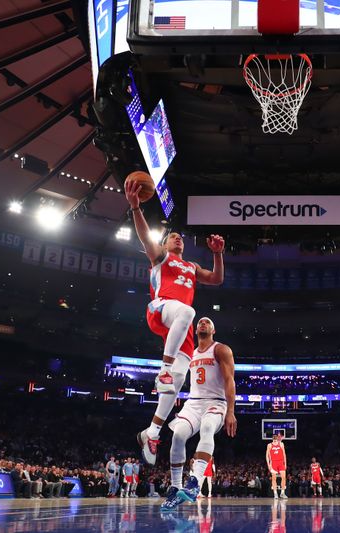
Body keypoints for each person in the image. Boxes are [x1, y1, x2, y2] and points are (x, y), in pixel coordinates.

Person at [126, 178, 226, 466]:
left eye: (180, 237)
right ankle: (165, 367)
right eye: (172, 236)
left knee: (178, 382)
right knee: (188, 312)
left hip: (179, 326)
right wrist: (135, 209)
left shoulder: (192, 267)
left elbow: (217, 279)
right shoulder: (160, 257)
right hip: (161, 310)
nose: (178, 238)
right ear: (165, 243)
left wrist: (218, 254)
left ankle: (152, 431)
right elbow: (146, 237)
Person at [160, 317, 237, 511]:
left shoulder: (221, 349)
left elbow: (229, 380)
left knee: (208, 427)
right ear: (195, 330)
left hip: (216, 402)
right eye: (200, 322)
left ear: (214, 329)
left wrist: (231, 411)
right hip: (193, 403)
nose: (203, 323)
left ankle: (195, 482)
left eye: (207, 322)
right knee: (177, 435)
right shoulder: (189, 354)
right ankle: (175, 487)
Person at [267, 433, 288, 499]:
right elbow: (267, 455)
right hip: (274, 463)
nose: (275, 437)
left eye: (276, 437)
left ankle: (282, 493)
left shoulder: (281, 444)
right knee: (274, 478)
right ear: (272, 438)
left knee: (283, 477)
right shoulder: (269, 445)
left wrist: (285, 463)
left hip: (281, 462)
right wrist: (269, 464)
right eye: (274, 437)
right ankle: (275, 494)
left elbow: (284, 454)